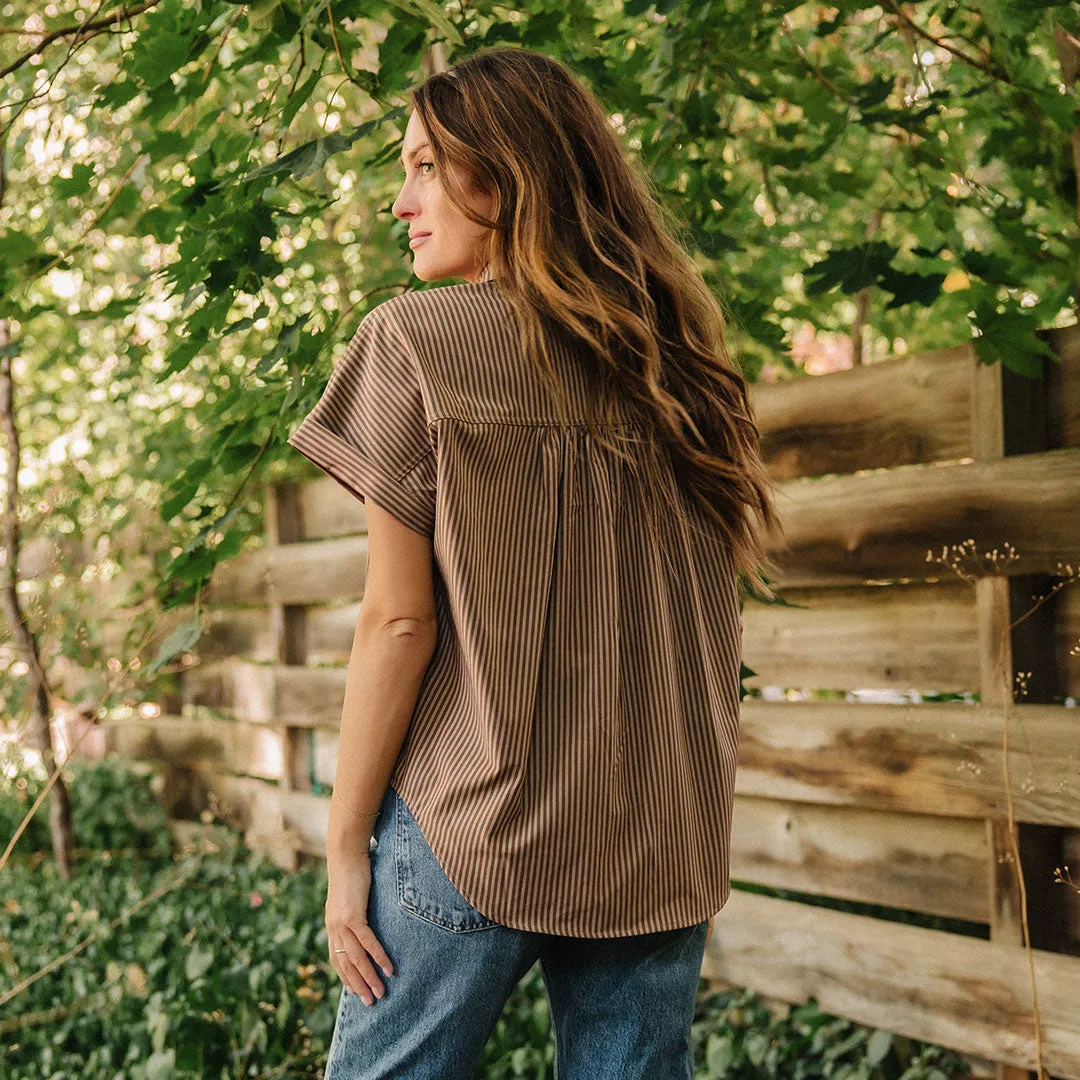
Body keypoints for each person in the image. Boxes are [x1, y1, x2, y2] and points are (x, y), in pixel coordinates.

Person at [286, 44, 782, 1080]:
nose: (399, 200)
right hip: (656, 834)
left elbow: (399, 623)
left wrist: (344, 853)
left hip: (477, 822)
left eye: (425, 166)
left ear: (502, 179)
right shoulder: (683, 373)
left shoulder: (412, 339)